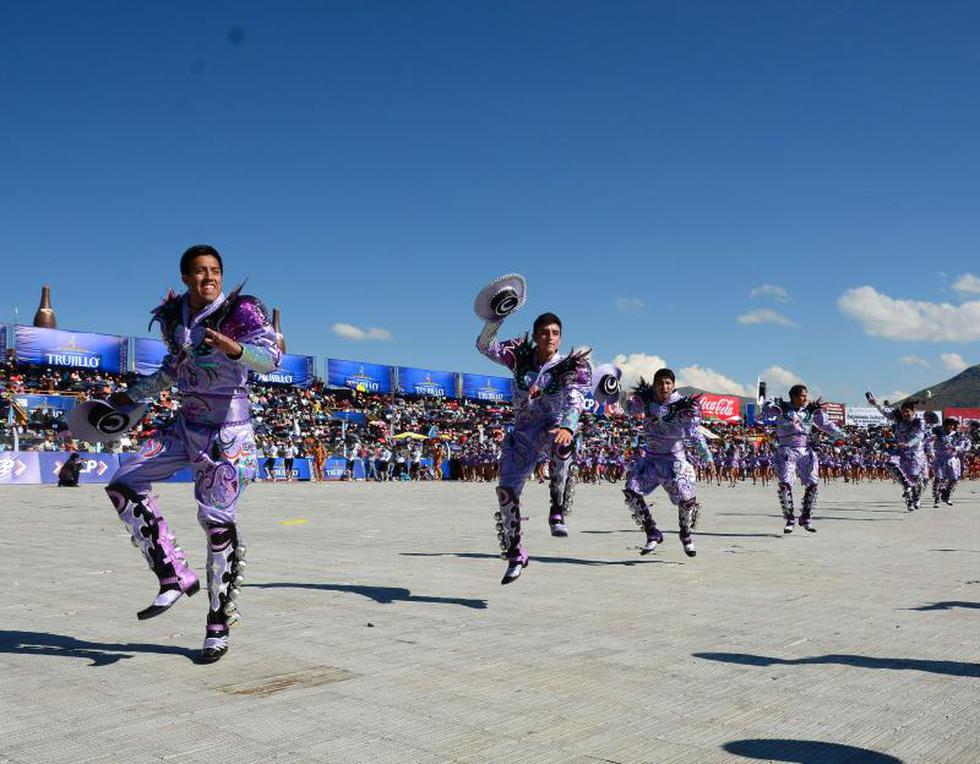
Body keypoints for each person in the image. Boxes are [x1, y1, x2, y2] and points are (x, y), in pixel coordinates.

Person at [102, 245, 281, 663]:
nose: (209, 278)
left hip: (228, 434)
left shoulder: (241, 311)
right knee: (124, 482)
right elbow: (173, 368)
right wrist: (129, 396)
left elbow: (271, 358)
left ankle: (218, 621)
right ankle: (173, 574)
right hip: (185, 425)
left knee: (216, 523)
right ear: (185, 277)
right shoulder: (174, 316)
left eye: (215, 271)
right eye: (200, 272)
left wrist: (235, 350)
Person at [477, 310, 591, 584]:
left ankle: (557, 509)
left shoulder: (569, 366)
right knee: (506, 492)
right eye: (544, 332)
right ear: (536, 335)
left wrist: (568, 425)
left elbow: (575, 399)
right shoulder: (519, 358)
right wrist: (496, 318)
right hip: (523, 432)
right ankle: (516, 554)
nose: (549, 337)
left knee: (564, 444)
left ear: (560, 338)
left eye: (554, 333)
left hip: (553, 426)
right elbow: (484, 346)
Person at [622, 369, 715, 557]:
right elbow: (629, 409)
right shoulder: (646, 401)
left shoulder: (682, 406)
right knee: (632, 491)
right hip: (650, 459)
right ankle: (652, 533)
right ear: (654, 385)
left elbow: (694, 434)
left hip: (674, 460)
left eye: (667, 383)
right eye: (660, 383)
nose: (663, 387)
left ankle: (686, 535)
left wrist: (707, 458)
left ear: (673, 385)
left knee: (687, 500)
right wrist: (617, 394)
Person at [762, 384, 847, 533]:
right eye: (802, 395)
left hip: (806, 449)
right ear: (794, 397)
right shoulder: (782, 407)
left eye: (806, 395)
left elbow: (827, 425)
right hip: (786, 449)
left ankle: (806, 517)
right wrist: (770, 402)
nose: (805, 398)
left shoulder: (811, 410)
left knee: (813, 484)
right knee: (785, 484)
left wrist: (843, 435)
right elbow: (764, 412)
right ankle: (789, 519)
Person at [866, 393, 927, 511]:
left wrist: (908, 444)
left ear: (913, 411)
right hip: (900, 452)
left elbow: (919, 436)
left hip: (916, 454)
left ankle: (916, 498)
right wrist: (876, 404)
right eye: (903, 411)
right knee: (891, 464)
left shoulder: (919, 422)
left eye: (908, 411)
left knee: (917, 479)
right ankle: (907, 488)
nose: (905, 414)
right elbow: (885, 412)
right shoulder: (899, 417)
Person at [928, 417, 969, 507]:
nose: (950, 427)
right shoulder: (938, 433)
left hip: (952, 459)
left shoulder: (957, 434)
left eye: (952, 425)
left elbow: (962, 444)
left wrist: (956, 448)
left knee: (954, 479)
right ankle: (937, 499)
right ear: (945, 425)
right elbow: (930, 443)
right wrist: (931, 453)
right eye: (948, 425)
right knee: (939, 479)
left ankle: (946, 496)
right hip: (939, 459)